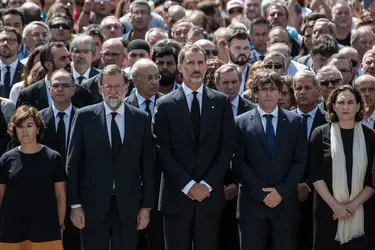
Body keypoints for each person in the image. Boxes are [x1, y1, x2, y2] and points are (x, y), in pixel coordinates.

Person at [153, 44, 235, 250]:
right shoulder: (165, 105)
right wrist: (189, 185)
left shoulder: (222, 102)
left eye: (200, 62)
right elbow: (162, 151)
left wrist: (206, 185)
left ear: (207, 66)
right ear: (180, 68)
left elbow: (226, 149)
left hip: (210, 197)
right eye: (190, 63)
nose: (196, 67)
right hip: (176, 197)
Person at [67, 65, 155, 250]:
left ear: (126, 88)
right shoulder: (84, 117)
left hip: (129, 205)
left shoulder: (141, 118)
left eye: (118, 87)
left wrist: (146, 207)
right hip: (92, 205)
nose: (113, 92)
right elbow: (73, 164)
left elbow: (148, 166)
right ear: (100, 88)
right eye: (108, 87)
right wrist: (75, 205)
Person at [233, 70, 307, 250]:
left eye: (273, 89)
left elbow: (300, 161)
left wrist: (280, 191)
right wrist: (261, 193)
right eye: (263, 89)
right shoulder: (240, 122)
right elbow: (238, 162)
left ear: (280, 93)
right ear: (255, 92)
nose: (268, 93)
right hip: (252, 204)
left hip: (285, 204)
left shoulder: (295, 121)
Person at [309, 85, 375, 250]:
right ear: (333, 106)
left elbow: (372, 177)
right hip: (327, 211)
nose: (346, 107)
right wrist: (336, 207)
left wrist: (352, 206)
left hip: (361, 211)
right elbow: (315, 173)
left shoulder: (370, 136)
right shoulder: (319, 133)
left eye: (351, 102)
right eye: (341, 102)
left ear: (359, 106)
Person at [0, 105, 66, 250]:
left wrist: (60, 225)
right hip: (12, 230)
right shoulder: (6, 159)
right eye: (20, 126)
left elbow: (60, 196)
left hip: (46, 229)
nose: (24, 131)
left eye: (29, 125)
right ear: (14, 130)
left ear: (38, 128)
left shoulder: (53, 158)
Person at [214, 63, 256, 250]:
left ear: (241, 82)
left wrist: (238, 185)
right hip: (214, 185)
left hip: (245, 186)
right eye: (225, 82)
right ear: (216, 84)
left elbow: (256, 153)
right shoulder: (209, 107)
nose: (230, 86)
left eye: (234, 82)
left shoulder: (253, 110)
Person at [39, 68, 79, 250]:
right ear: (49, 90)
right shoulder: (38, 119)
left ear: (73, 90)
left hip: (78, 193)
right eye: (56, 85)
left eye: (65, 85)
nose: (60, 89)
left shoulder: (86, 117)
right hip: (45, 193)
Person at [292, 70, 327, 250]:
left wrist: (307, 185)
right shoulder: (284, 119)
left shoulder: (328, 121)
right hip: (288, 195)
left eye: (307, 87)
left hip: (319, 197)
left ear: (319, 91)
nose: (302, 92)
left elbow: (328, 160)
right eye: (298, 88)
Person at [16, 42, 92, 110]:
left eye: (68, 57)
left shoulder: (83, 94)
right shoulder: (28, 95)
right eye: (63, 58)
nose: (68, 62)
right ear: (48, 65)